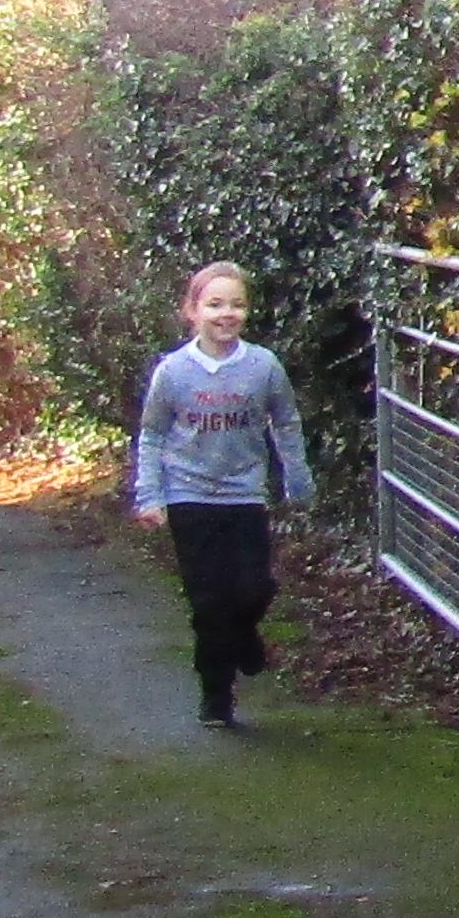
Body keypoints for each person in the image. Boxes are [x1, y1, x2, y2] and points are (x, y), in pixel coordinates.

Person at [128, 265, 308, 729]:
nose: (227, 314)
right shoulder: (173, 372)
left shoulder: (263, 366)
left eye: (237, 305)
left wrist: (297, 477)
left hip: (244, 493)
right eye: (215, 304)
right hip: (188, 495)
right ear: (192, 311)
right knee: (208, 600)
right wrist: (149, 496)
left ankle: (245, 634)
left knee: (253, 587)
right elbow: (152, 434)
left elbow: (285, 422)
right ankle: (216, 695)